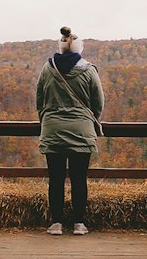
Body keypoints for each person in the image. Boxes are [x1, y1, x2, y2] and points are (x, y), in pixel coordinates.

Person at [36, 26, 105, 235]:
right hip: (81, 131)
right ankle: (78, 224)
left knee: (55, 180)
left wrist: (47, 120)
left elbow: (40, 100)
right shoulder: (89, 70)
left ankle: (56, 223)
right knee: (78, 179)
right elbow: (98, 102)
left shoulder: (47, 69)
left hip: (53, 129)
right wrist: (89, 120)